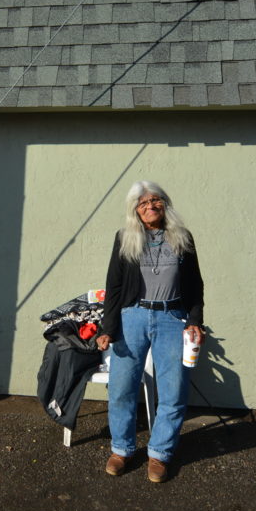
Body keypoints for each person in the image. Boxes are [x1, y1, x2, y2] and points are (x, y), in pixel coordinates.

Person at [95, 181, 204, 483]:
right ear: (135, 210)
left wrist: (195, 320)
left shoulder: (182, 237)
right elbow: (114, 287)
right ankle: (121, 449)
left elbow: (195, 284)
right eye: (142, 203)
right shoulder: (124, 238)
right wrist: (108, 327)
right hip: (133, 317)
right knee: (121, 388)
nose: (150, 206)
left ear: (165, 203)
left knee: (174, 390)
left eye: (155, 200)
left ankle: (159, 454)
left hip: (172, 318)